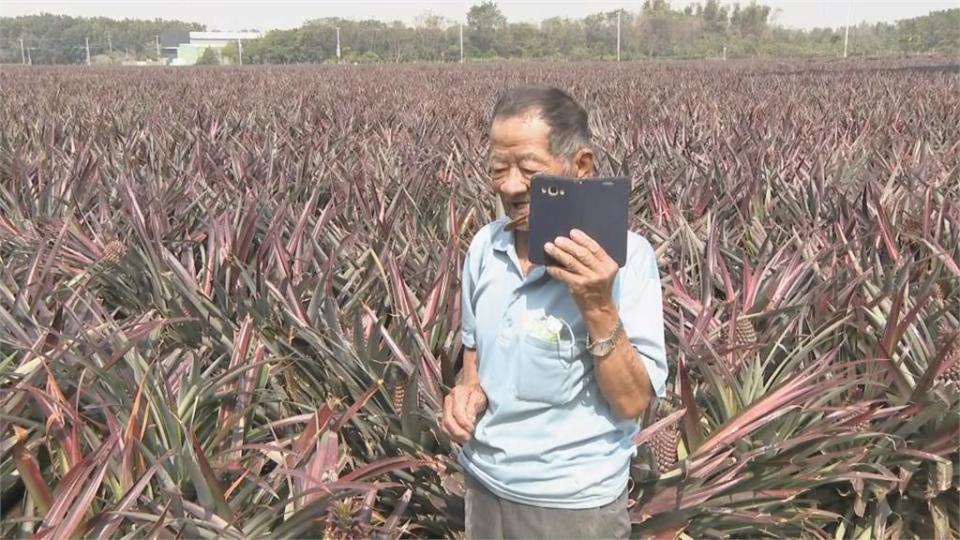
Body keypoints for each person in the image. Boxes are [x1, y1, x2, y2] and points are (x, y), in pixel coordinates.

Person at [441, 85, 669, 540]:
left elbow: (633, 403)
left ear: (580, 166)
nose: (508, 186)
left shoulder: (628, 261)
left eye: (528, 169)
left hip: (572, 508)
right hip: (485, 488)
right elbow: (474, 360)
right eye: (497, 169)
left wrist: (597, 304)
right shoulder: (486, 247)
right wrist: (467, 395)